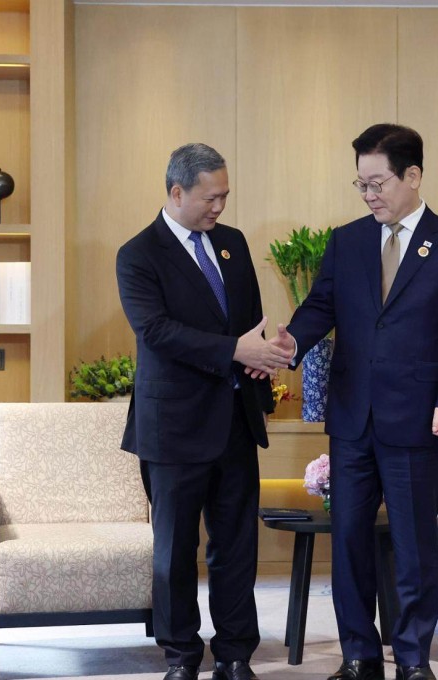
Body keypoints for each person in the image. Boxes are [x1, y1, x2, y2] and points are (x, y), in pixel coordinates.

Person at [273, 124, 438, 680]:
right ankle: (359, 656)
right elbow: (321, 306)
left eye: (377, 182)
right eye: (360, 184)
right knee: (348, 544)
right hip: (351, 419)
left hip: (418, 418)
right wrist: (290, 343)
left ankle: (413, 659)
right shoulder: (348, 241)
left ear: (412, 176)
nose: (368, 195)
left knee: (415, 546)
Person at [116, 142, 292, 680]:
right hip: (173, 428)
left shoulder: (233, 245)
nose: (220, 207)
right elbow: (156, 332)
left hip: (236, 420)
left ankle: (236, 653)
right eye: (211, 197)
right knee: (175, 551)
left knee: (236, 546)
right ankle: (181, 655)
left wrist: (268, 352)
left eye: (225, 196)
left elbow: (248, 323)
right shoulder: (138, 254)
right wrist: (238, 351)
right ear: (177, 191)